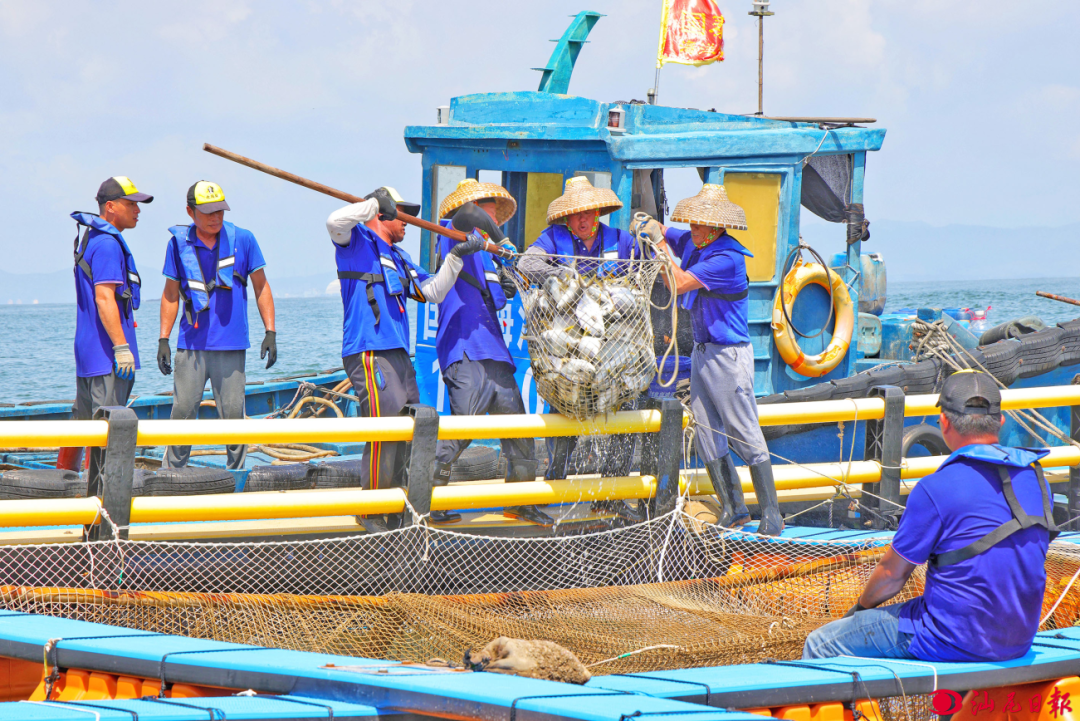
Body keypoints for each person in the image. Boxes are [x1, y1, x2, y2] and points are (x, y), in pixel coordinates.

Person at [803, 370, 1056, 662]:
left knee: (821, 643)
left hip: (952, 638)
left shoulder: (935, 487)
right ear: (1000, 421)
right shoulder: (1038, 480)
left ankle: (860, 709)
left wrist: (858, 611)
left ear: (944, 422)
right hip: (1017, 641)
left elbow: (891, 577)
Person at [326, 186, 484, 519]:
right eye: (402, 212)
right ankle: (372, 511)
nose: (408, 221)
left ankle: (403, 507)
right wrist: (370, 204)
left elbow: (434, 291)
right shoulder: (356, 243)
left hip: (398, 354)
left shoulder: (400, 257)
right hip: (369, 352)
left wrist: (456, 257)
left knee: (413, 426)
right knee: (384, 430)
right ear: (383, 213)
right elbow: (334, 221)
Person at [636, 183, 782, 535]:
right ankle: (734, 508)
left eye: (698, 225)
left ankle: (772, 513)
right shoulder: (698, 243)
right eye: (691, 223)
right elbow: (672, 235)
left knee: (742, 430)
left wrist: (657, 246)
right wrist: (652, 224)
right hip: (703, 352)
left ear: (716, 228)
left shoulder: (726, 258)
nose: (692, 229)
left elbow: (680, 282)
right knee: (706, 430)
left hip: (728, 357)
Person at [519, 176, 646, 522]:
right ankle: (552, 487)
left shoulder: (621, 241)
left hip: (614, 350)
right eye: (575, 214)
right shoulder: (553, 239)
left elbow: (650, 264)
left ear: (598, 212)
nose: (583, 220)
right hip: (569, 351)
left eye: (588, 213)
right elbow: (526, 264)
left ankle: (611, 496)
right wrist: (563, 276)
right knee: (563, 413)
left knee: (625, 412)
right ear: (567, 218)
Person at [433, 179, 550, 527]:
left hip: (496, 353)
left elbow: (500, 299)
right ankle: (428, 501)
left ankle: (519, 502)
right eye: (488, 208)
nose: (490, 214)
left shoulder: (485, 256)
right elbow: (469, 215)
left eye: (494, 210)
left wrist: (506, 277)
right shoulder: (449, 234)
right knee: (461, 430)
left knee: (520, 434)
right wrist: (501, 240)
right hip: (464, 350)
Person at [158, 181, 276, 470]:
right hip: (191, 346)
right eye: (208, 212)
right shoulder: (177, 245)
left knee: (234, 416)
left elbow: (261, 287)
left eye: (220, 211)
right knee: (183, 412)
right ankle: (173, 475)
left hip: (232, 345)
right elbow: (171, 294)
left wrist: (270, 332)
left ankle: (236, 476)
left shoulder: (244, 239)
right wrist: (163, 339)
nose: (216, 217)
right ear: (190, 211)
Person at [71, 176, 152, 457]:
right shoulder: (107, 244)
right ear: (110, 207)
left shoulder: (92, 238)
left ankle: (81, 489)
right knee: (108, 435)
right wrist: (121, 348)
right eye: (131, 204)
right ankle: (104, 498)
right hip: (107, 355)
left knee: (89, 428)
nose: (137, 210)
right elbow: (104, 298)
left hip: (90, 352)